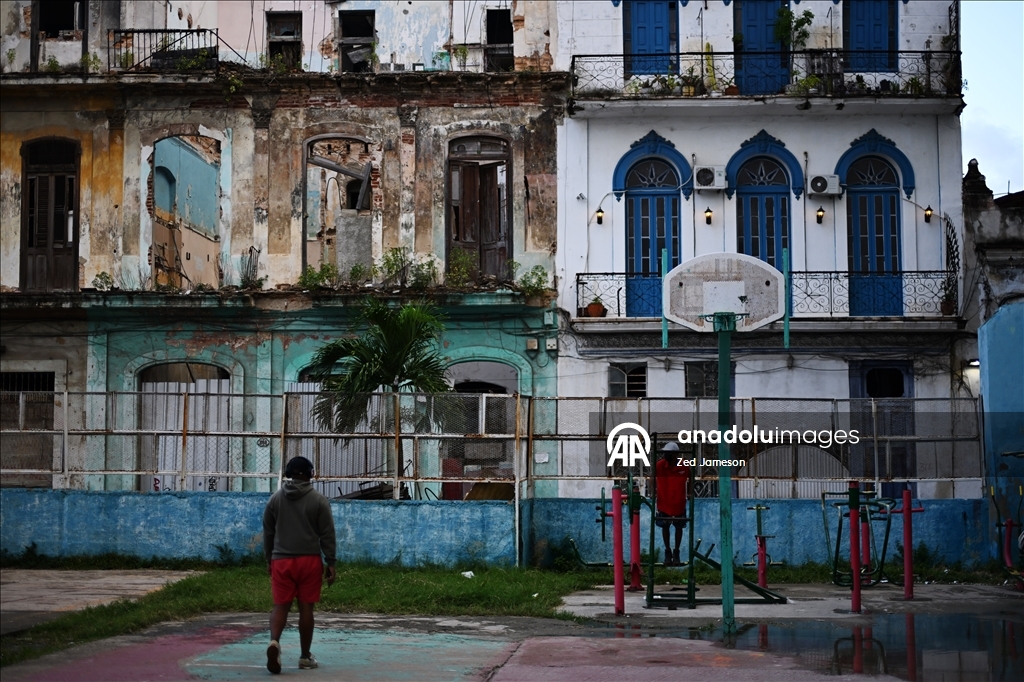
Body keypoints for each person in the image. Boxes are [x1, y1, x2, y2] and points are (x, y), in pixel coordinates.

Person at [262, 456, 337, 674]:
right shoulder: (319, 500)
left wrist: (269, 559)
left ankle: (274, 642)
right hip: (309, 561)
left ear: (288, 474)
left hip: (281, 560)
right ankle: (305, 656)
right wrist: (331, 562)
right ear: (310, 473)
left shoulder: (275, 500)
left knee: (280, 606)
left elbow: (268, 532)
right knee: (306, 608)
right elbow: (327, 534)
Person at [652, 442, 689, 566]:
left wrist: (691, 494)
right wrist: (653, 493)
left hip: (679, 502)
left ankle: (676, 552)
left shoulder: (684, 465)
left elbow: (692, 476)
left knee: (679, 527)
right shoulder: (660, 465)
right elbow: (652, 479)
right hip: (664, 502)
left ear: (676, 454)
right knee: (665, 526)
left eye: (668, 453)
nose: (665, 455)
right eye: (665, 453)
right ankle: (667, 551)